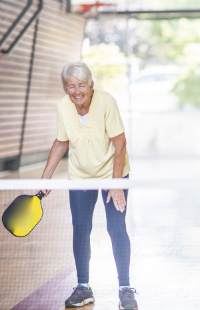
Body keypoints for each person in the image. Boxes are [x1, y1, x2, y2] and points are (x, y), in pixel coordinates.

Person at [38, 62, 138, 310]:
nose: (77, 91)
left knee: (116, 228)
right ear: (65, 88)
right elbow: (61, 143)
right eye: (71, 86)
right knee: (81, 229)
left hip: (112, 173)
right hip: (81, 175)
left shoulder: (106, 102)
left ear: (91, 86)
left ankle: (125, 288)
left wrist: (115, 184)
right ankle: (83, 287)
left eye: (82, 85)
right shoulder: (63, 107)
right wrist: (44, 178)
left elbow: (120, 143)